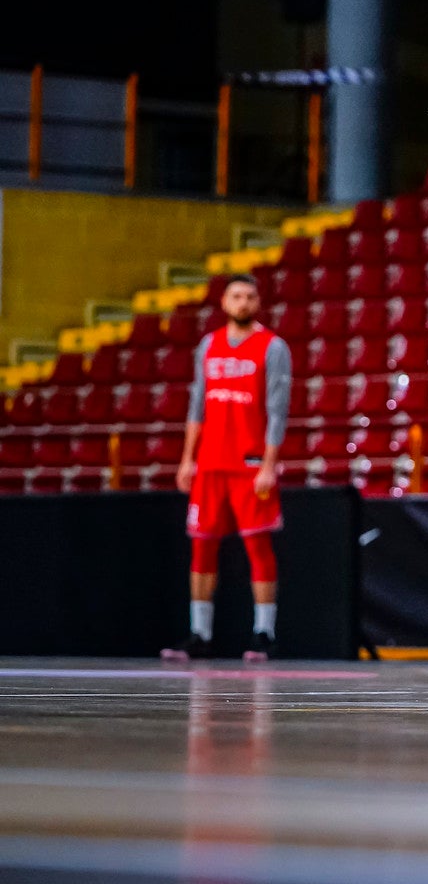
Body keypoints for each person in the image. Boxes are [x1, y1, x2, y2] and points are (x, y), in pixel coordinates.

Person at [162, 273, 291, 662]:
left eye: (250, 296)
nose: (243, 302)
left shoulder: (273, 347)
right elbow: (197, 405)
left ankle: (263, 633)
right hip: (210, 463)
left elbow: (277, 410)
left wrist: (270, 463)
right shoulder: (209, 345)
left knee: (258, 545)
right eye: (236, 296)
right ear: (224, 302)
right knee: (202, 547)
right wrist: (187, 458)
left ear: (258, 302)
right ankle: (199, 634)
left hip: (250, 463)